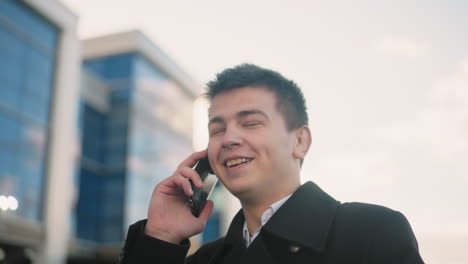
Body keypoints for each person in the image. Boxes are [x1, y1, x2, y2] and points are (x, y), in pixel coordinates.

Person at [119, 64, 425, 264]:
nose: (229, 138)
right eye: (217, 129)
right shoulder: (206, 259)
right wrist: (160, 238)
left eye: (250, 123)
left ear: (300, 141)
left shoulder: (370, 233)